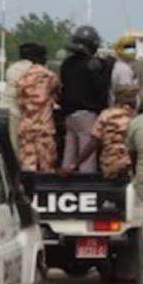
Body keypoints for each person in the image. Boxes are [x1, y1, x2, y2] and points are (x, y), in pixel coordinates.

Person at [60, 25, 110, 173]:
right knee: (87, 157)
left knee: (69, 154)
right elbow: (101, 89)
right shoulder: (93, 64)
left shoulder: (66, 64)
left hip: (69, 116)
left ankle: (63, 182)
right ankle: (86, 186)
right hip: (87, 115)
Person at [65, 84, 138, 178]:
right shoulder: (136, 118)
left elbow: (93, 143)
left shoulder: (106, 115)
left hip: (110, 167)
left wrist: (74, 164)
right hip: (131, 168)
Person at [16, 42, 60, 172]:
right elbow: (57, 94)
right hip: (44, 126)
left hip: (26, 126)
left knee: (28, 167)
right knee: (46, 168)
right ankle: (43, 193)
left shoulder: (22, 78)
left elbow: (20, 102)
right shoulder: (49, 76)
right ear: (41, 57)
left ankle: (29, 192)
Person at [0, 42, 38, 152]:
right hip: (15, 112)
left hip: (3, 109)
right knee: (14, 147)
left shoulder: (12, 68)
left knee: (7, 145)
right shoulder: (32, 69)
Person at [110, 35, 138, 103]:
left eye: (133, 47)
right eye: (128, 47)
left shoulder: (120, 65)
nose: (131, 50)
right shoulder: (124, 69)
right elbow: (126, 94)